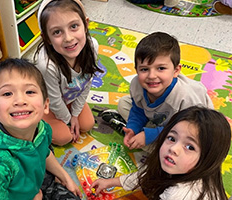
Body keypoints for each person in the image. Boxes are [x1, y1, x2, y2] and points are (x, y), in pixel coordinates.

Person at [0, 58, 82, 200]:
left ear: (46, 105)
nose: (20, 100)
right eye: (7, 94)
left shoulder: (42, 128)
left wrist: (65, 177)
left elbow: (44, 152)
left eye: (29, 92)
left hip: (33, 180)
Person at [101, 32, 213, 150]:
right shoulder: (136, 84)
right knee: (123, 103)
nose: (152, 76)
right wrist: (133, 128)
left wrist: (148, 136)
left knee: (164, 149)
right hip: (163, 118)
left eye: (161, 68)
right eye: (144, 69)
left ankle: (149, 134)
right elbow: (138, 110)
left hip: (194, 125)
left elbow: (187, 129)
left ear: (176, 70)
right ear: (136, 70)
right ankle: (136, 131)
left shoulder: (186, 97)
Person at [92, 106, 231, 200]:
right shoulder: (178, 166)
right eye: (171, 138)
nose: (174, 149)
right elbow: (146, 175)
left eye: (190, 147)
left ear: (208, 159)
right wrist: (110, 182)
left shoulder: (179, 194)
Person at [34, 0, 103, 146]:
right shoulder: (46, 64)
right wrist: (68, 120)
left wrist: (76, 114)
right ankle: (36, 121)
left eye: (74, 26)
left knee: (87, 124)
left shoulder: (92, 46)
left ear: (86, 24)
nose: (69, 38)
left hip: (69, 97)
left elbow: (86, 83)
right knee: (63, 138)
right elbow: (53, 100)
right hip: (47, 103)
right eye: (57, 32)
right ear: (47, 38)